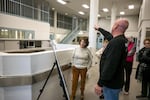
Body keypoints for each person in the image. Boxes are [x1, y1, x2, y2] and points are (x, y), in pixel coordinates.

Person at [94, 18, 129, 100]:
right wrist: (99, 29)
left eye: (114, 24)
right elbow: (109, 36)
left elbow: (110, 65)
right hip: (116, 80)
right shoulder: (122, 40)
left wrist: (100, 84)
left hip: (111, 83)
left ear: (116, 26)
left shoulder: (116, 43)